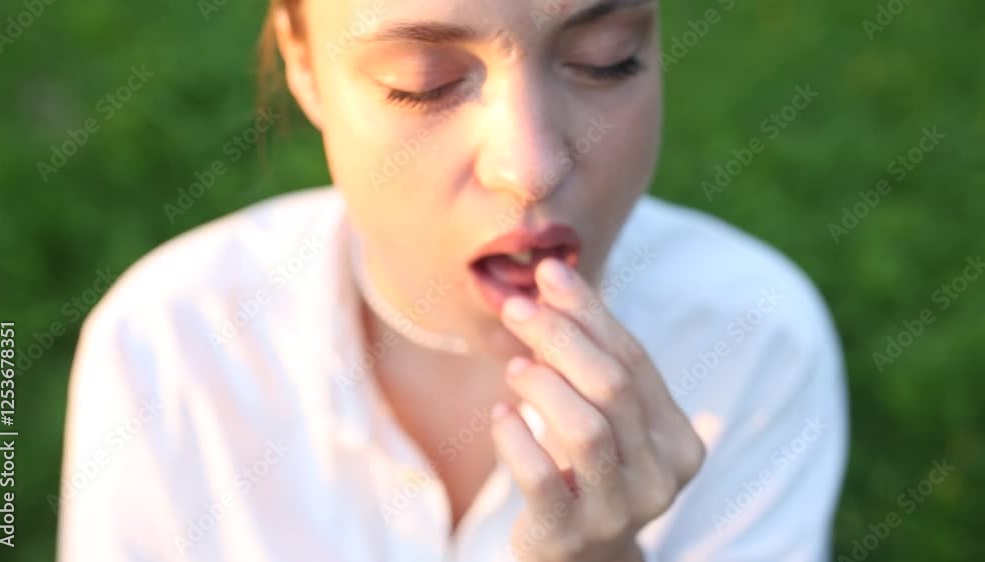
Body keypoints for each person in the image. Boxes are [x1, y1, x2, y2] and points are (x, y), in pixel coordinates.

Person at [56, 0, 848, 560]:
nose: (531, 169)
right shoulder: (170, 347)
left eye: (606, 59)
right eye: (424, 81)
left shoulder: (751, 339)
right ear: (302, 63)